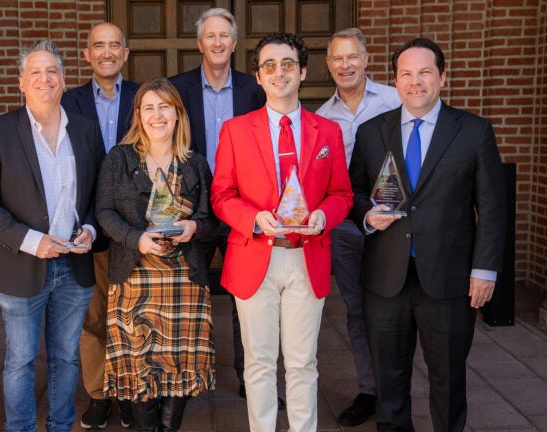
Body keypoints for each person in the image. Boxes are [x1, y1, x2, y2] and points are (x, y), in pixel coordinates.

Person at [348, 38, 506, 431]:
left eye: (424, 73)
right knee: (388, 381)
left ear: (442, 77)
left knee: (449, 379)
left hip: (450, 279)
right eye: (406, 74)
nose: (415, 82)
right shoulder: (371, 133)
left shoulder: (473, 131)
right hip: (386, 276)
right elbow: (351, 193)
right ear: (395, 81)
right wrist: (368, 216)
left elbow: (491, 206)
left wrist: (485, 270)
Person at [211, 33, 353, 432]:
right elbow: (221, 195)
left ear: (303, 71)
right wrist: (254, 218)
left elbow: (342, 193)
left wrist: (325, 215)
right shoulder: (236, 130)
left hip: (307, 258)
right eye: (269, 65)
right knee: (258, 363)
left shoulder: (327, 131)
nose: (279, 72)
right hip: (255, 254)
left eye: (288, 64)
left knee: (302, 362)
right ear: (257, 76)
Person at [0, 40, 105, 432]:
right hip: (21, 265)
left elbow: (99, 194)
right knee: (21, 359)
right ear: (21, 83)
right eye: (36, 72)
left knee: (66, 357)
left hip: (75, 264)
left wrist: (92, 230)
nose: (45, 79)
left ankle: (60, 426)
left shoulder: (84, 129)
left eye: (52, 72)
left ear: (63, 80)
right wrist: (31, 240)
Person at [168, 7, 275, 408]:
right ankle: (186, 382)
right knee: (187, 296)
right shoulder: (177, 88)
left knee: (250, 300)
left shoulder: (253, 89)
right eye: (209, 36)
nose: (217, 43)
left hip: (243, 208)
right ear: (200, 44)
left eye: (224, 36)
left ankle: (253, 380)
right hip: (193, 210)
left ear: (233, 43)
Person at [96, 77, 216, 432]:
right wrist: (136, 238)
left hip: (184, 281)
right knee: (138, 365)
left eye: (165, 106)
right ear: (138, 115)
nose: (157, 115)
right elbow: (103, 213)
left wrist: (193, 228)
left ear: (178, 114)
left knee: (179, 366)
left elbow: (211, 220)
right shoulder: (118, 159)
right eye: (149, 107)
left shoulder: (195, 163)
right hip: (133, 278)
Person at [315, 27, 401, 427]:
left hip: (394, 226)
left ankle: (395, 393)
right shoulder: (320, 118)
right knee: (357, 309)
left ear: (366, 59)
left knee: (397, 308)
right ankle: (370, 390)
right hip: (346, 229)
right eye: (337, 58)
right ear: (328, 65)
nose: (345, 65)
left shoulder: (395, 99)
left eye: (352, 57)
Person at [61, 22, 139, 430]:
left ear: (125, 53)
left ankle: (128, 392)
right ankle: (98, 394)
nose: (106, 52)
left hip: (134, 231)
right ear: (86, 54)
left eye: (114, 46)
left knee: (131, 317)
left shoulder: (145, 97)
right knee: (92, 319)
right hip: (86, 229)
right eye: (98, 46)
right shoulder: (67, 101)